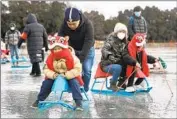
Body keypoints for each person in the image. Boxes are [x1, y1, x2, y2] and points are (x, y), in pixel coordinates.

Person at [31, 36, 84, 111]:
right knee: (46, 83)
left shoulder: (72, 57)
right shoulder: (50, 58)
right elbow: (46, 69)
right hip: (55, 75)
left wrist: (67, 74)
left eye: (59, 49)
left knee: (74, 82)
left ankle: (78, 102)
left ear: (63, 48)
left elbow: (78, 68)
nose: (57, 51)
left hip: (69, 75)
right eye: (55, 49)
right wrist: (53, 75)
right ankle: (39, 100)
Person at [58, 7, 95, 92]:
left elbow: (88, 41)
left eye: (74, 24)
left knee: (86, 70)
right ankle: (74, 88)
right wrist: (63, 38)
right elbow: (60, 36)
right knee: (71, 69)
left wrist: (80, 60)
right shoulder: (64, 24)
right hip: (73, 49)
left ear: (79, 20)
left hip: (87, 49)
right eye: (69, 24)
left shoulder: (88, 24)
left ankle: (84, 90)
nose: (71, 26)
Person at [100, 22, 140, 91]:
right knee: (118, 67)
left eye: (123, 32)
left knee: (129, 63)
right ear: (116, 32)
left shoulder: (124, 42)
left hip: (118, 62)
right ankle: (112, 84)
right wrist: (110, 56)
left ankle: (122, 82)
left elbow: (126, 54)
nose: (122, 33)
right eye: (120, 31)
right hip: (107, 64)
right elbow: (104, 50)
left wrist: (134, 61)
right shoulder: (110, 40)